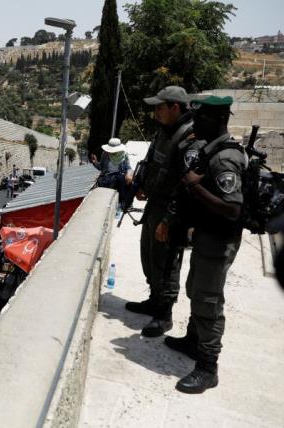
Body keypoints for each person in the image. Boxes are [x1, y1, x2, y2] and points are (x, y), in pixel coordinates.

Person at [163, 96, 246, 394]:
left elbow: (232, 208)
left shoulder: (224, 158)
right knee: (195, 289)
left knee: (208, 301)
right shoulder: (212, 150)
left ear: (216, 120)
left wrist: (194, 186)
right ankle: (192, 341)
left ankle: (208, 368)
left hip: (218, 239)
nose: (195, 125)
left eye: (200, 120)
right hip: (206, 236)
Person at [125, 86, 194, 338]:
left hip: (171, 211)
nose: (155, 113)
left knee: (167, 262)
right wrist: (143, 184)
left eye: (159, 107)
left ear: (175, 107)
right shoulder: (165, 132)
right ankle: (154, 300)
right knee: (150, 255)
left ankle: (164, 315)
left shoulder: (188, 137)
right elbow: (154, 163)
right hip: (155, 204)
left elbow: (186, 182)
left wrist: (169, 218)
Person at [91, 138, 133, 207]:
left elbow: (129, 167)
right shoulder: (105, 154)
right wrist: (95, 162)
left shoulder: (124, 154)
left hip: (120, 176)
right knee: (111, 181)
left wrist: (129, 174)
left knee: (124, 181)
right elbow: (101, 167)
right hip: (108, 176)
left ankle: (123, 203)